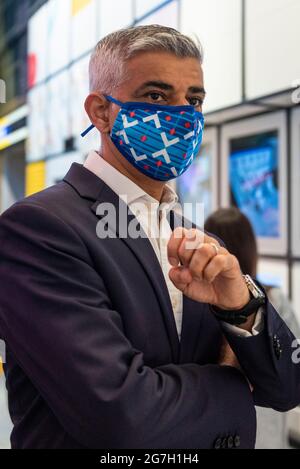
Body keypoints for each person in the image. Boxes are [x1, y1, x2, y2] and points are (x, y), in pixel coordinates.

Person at [0, 25, 299, 449]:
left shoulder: (195, 237)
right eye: (157, 97)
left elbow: (287, 385)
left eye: (193, 100)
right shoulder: (38, 229)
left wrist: (241, 308)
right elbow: (120, 416)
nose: (183, 116)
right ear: (101, 111)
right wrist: (235, 380)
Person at [205, 207, 300, 449]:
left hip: (221, 426)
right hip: (266, 431)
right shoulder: (274, 301)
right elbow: (293, 360)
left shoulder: (204, 307)